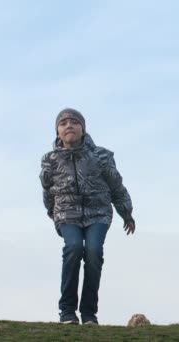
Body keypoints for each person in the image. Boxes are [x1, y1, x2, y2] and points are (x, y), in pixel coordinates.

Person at [40, 108, 136, 325]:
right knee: (73, 248)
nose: (69, 125)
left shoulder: (101, 156)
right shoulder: (50, 160)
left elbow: (116, 186)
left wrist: (126, 213)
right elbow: (47, 190)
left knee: (93, 252)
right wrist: (51, 212)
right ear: (57, 131)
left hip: (98, 213)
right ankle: (67, 312)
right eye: (63, 123)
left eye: (74, 122)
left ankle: (89, 313)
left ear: (83, 129)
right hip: (66, 213)